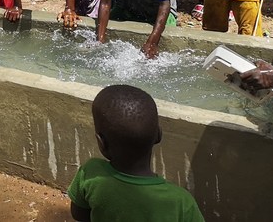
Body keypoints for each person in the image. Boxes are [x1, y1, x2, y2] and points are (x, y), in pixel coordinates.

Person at [68, 85, 203, 222]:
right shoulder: (181, 202)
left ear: (101, 143)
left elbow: (79, 214)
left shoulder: (91, 173)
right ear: (158, 135)